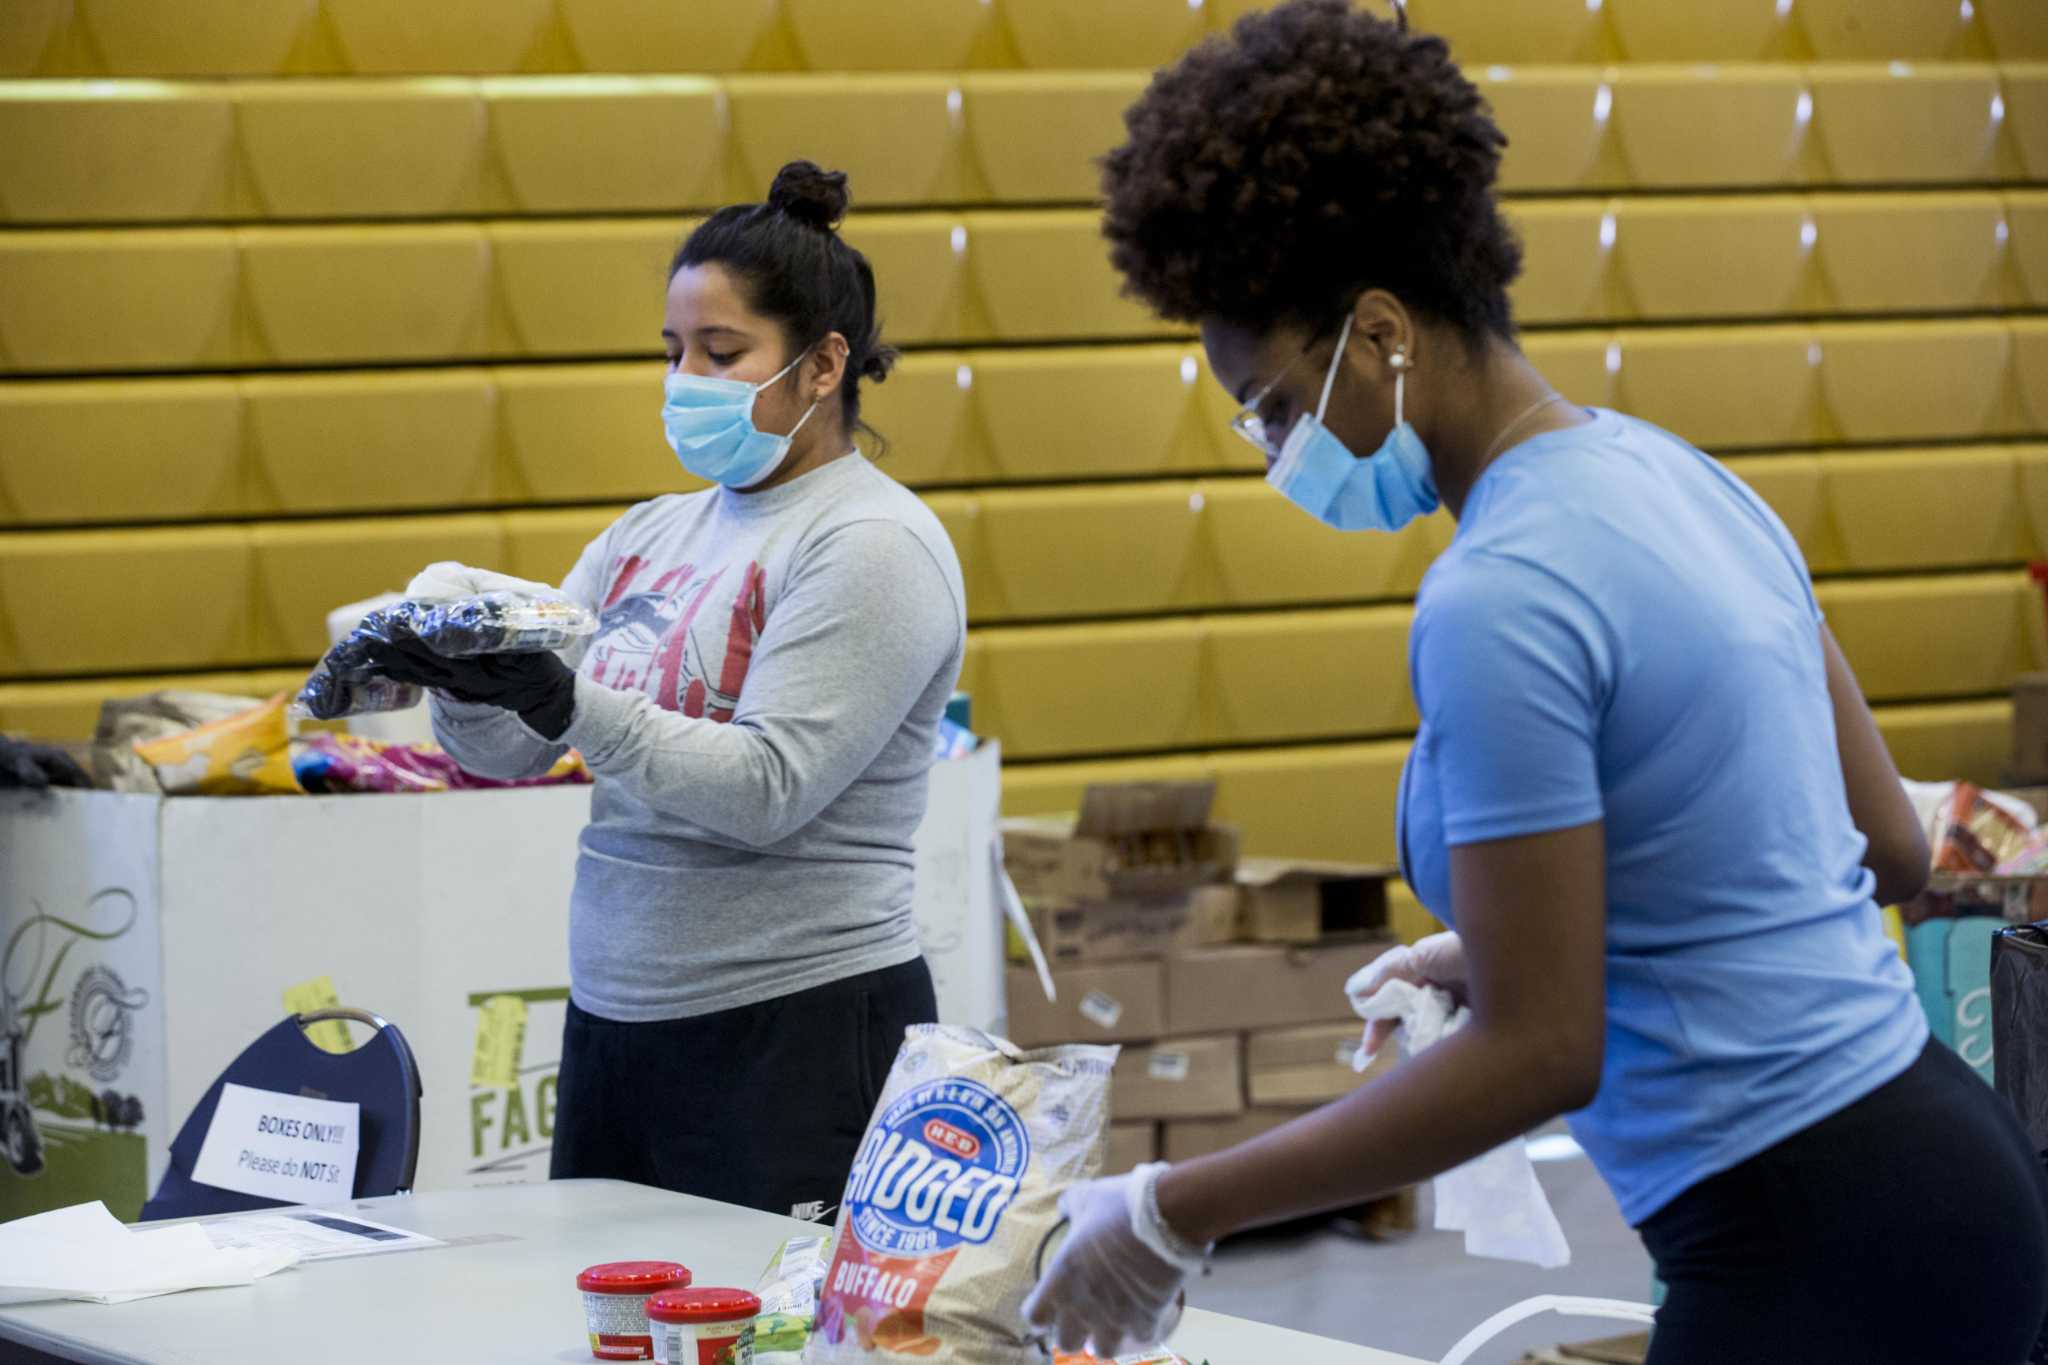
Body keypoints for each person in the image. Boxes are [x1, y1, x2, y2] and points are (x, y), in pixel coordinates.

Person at [1020, 5, 2048, 1362]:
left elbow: (1538, 1053)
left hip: (1812, 1237)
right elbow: (1881, 842)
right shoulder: (1675, 472)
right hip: (1943, 1167)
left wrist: (1166, 1208)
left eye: (1272, 405)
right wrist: (1532, 936)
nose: (1271, 453)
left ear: (1380, 331)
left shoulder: (1498, 593)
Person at [364, 161, 966, 1220]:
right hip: (616, 1018)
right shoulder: (649, 533)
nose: (684, 375)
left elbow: (764, 789)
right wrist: (457, 681)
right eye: (673, 350)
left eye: (721, 352)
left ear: (823, 364)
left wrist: (559, 699)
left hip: (797, 1023)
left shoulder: (870, 544)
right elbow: (504, 752)